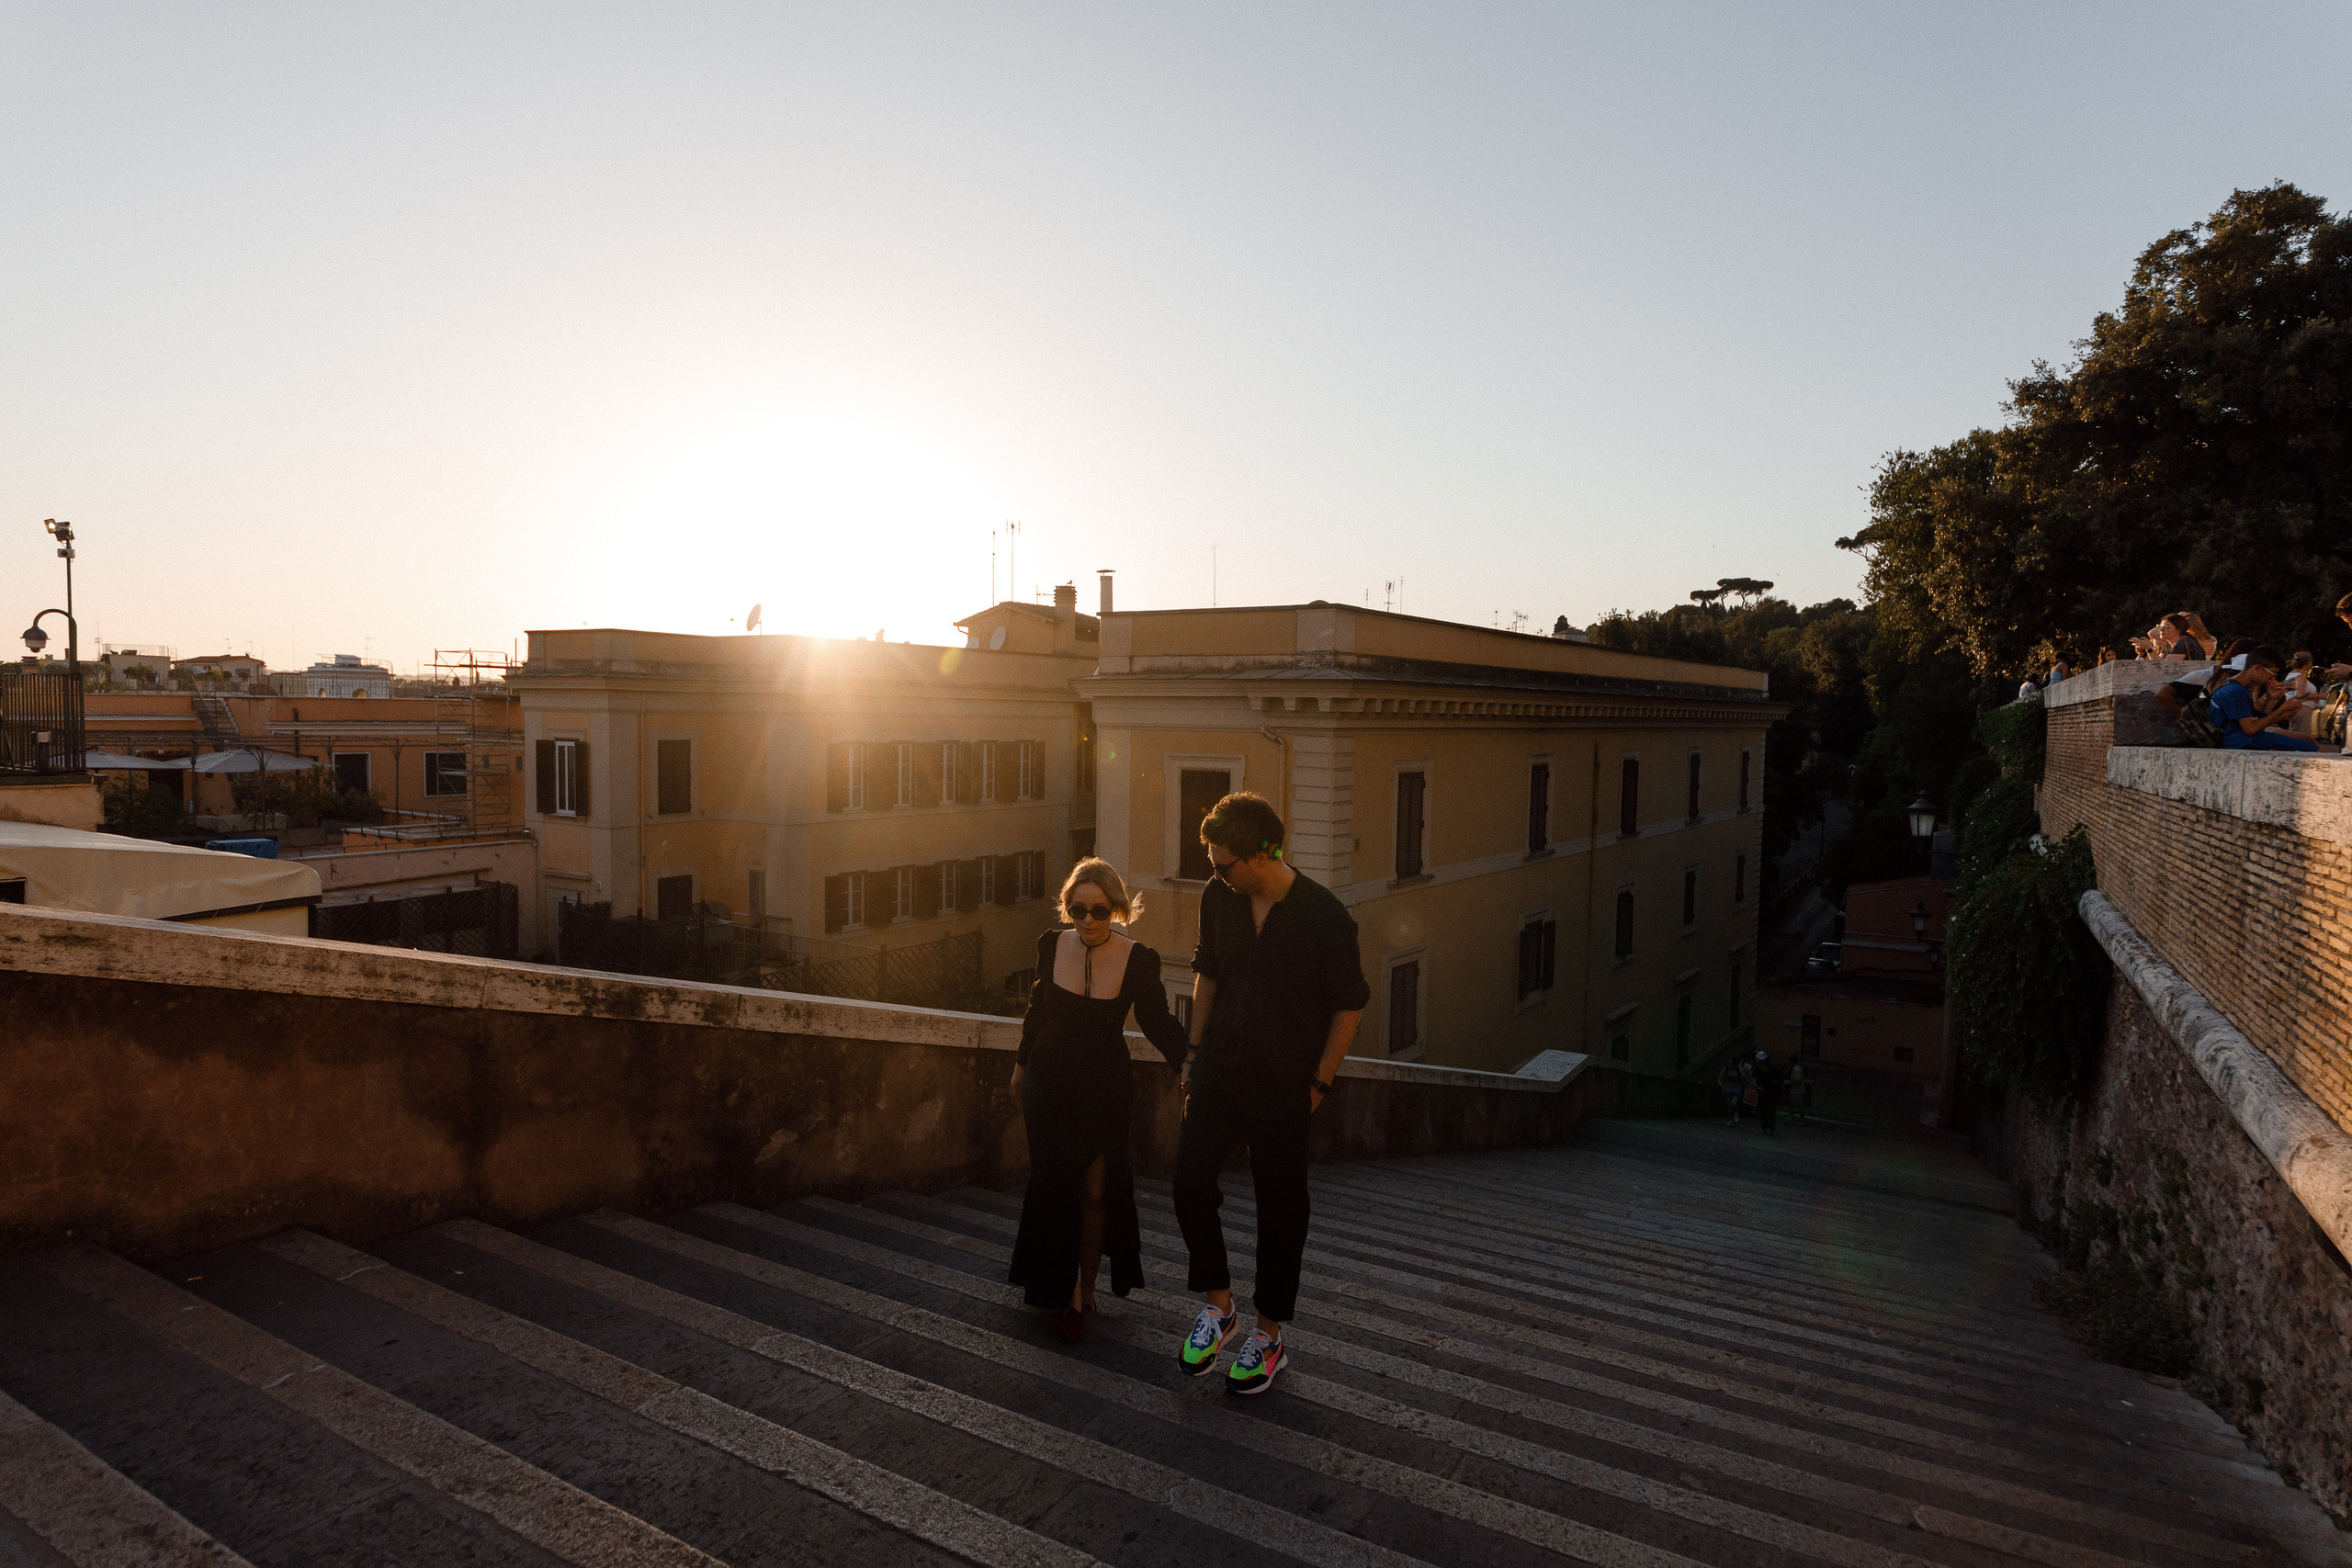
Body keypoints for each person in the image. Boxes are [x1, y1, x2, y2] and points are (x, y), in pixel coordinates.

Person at [1172, 791, 1369, 1395]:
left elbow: (1349, 1004)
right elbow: (1206, 972)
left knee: (1281, 1208)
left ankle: (1268, 1333)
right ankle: (1220, 1305)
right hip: (1219, 1068)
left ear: (1261, 856)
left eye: (1222, 862)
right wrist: (1193, 1050)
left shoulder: (1326, 916)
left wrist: (1320, 1079)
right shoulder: (1219, 898)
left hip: (1285, 1083)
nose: (1213, 872)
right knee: (1187, 1180)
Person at [1007, 859, 1190, 1344]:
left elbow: (1156, 1020)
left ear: (1117, 909)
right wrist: (1022, 1064)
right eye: (1077, 908)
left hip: (1104, 1088)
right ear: (1068, 908)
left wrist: (1189, 1060)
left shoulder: (1139, 959)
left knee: (1094, 1193)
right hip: (1048, 1083)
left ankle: (1088, 1288)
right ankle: (1068, 1295)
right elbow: (1036, 1009)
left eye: (1098, 910)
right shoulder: (1051, 944)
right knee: (1057, 1186)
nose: (1087, 919)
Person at [2212, 649, 2319, 752]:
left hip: (2250, 738)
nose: (2273, 678)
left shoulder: (2237, 686)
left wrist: (2271, 699)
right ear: (2257, 668)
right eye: (2272, 673)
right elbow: (2250, 729)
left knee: (2310, 742)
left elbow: (2259, 721)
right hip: (2243, 741)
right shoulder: (2235, 691)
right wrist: (2282, 709)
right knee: (2319, 751)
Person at [1750, 1049, 1785, 1134]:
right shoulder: (1770, 1070)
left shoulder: (1760, 1070)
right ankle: (1769, 1128)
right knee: (1768, 1111)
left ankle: (1766, 1128)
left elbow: (1754, 1079)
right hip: (1770, 1092)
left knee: (1766, 1111)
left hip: (1767, 1092)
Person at [1716, 1057, 1743, 1124]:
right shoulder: (1725, 1070)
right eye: (1729, 1063)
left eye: (1731, 1063)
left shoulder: (1739, 1071)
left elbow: (1743, 1080)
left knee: (1734, 1102)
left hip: (1736, 1088)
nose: (1729, 1065)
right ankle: (1730, 1118)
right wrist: (1722, 1085)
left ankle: (1736, 1111)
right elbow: (1719, 1078)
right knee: (1729, 1105)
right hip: (1727, 1088)